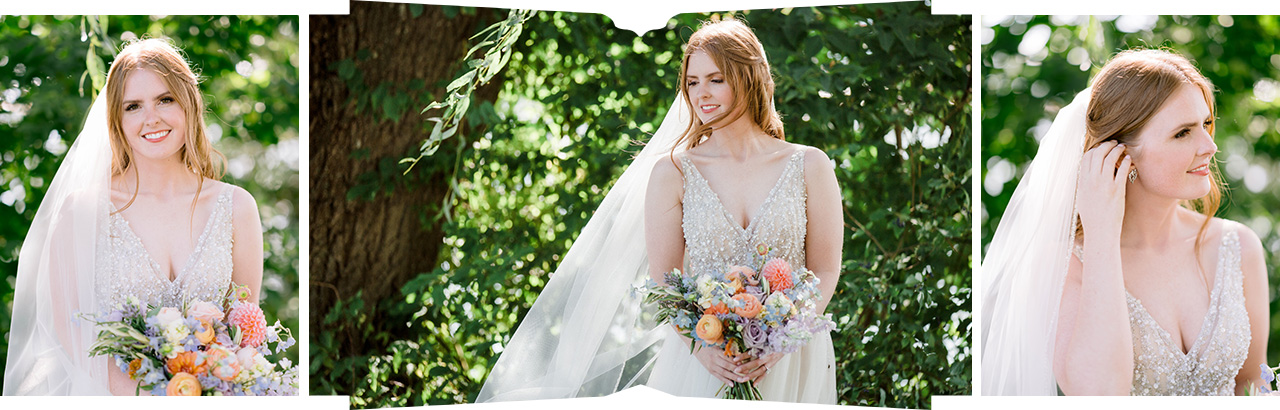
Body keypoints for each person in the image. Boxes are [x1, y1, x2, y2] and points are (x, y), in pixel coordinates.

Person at [476, 19, 840, 403]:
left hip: (792, 357)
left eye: (716, 79)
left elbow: (826, 269)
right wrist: (703, 351)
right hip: (705, 361)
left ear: (749, 77)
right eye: (692, 82)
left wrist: (783, 341)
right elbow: (665, 278)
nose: (702, 94)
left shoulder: (809, 165)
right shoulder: (674, 172)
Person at [981, 49, 1268, 396]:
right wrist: (1102, 232)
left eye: (1205, 124)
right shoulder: (1061, 265)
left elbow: (1252, 385)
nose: (1209, 145)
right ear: (1119, 154)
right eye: (1182, 133)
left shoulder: (1237, 247)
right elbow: (1100, 393)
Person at [3, 38, 264, 396]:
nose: (151, 118)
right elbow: (70, 330)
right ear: (116, 118)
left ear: (187, 103)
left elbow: (243, 328)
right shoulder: (82, 211)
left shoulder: (237, 207)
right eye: (133, 106)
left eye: (165, 99)